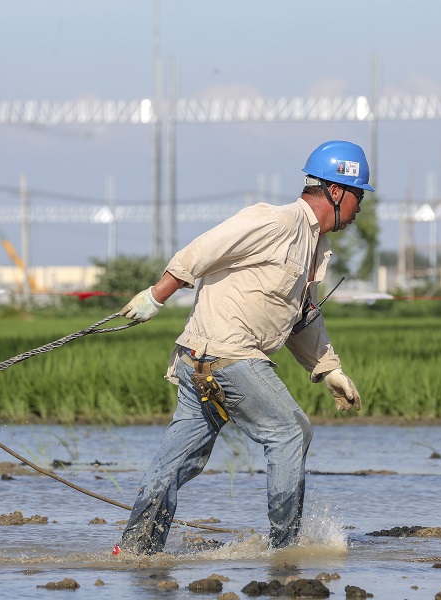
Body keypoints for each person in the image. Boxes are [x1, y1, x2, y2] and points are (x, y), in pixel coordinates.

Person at [115, 140, 373, 555]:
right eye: (359, 195)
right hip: (228, 355)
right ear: (337, 191)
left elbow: (300, 316)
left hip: (199, 361)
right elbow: (202, 250)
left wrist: (328, 369)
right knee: (291, 432)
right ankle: (285, 549)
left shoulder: (312, 248)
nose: (361, 207)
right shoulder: (276, 222)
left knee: (180, 461)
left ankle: (135, 553)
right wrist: (156, 295)